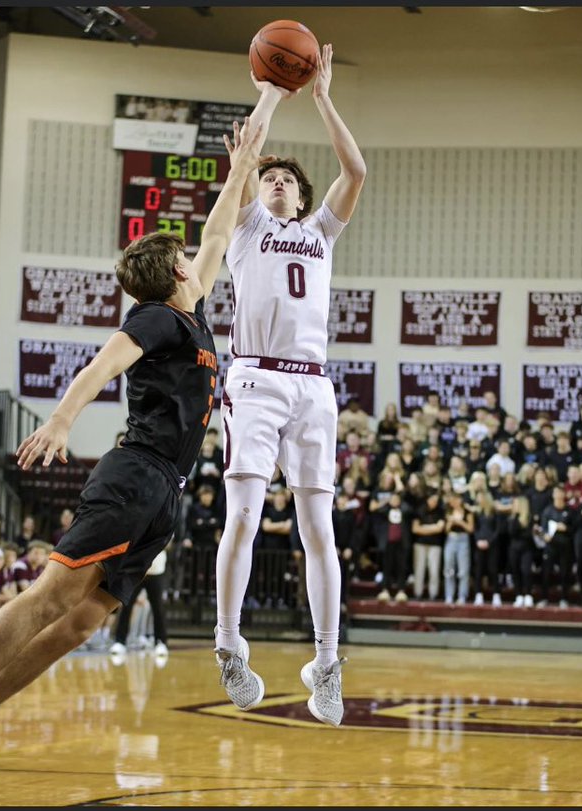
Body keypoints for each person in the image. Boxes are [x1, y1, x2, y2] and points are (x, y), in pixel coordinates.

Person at [0, 116, 263, 794]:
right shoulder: (157, 316)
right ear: (177, 270)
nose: (199, 255)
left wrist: (242, 166)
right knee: (53, 594)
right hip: (135, 473)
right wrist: (62, 419)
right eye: (187, 254)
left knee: (81, 621)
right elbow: (104, 363)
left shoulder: (191, 313)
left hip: (165, 490)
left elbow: (220, 232)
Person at [213, 46, 365, 728]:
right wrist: (271, 93)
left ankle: (326, 664)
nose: (275, 182)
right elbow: (246, 158)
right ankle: (229, 645)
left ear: (301, 196)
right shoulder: (248, 227)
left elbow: (356, 171)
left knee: (319, 529)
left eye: (285, 179)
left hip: (313, 387)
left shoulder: (321, 232)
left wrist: (323, 96)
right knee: (243, 516)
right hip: (254, 377)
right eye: (268, 177)